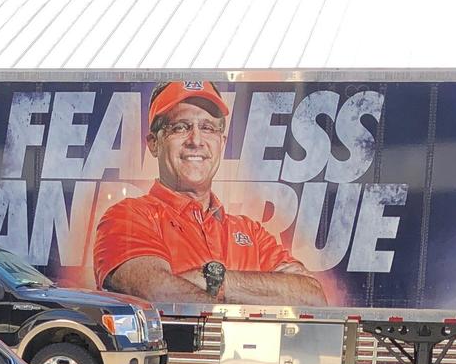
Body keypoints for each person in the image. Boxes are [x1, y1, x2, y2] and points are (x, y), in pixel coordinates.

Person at [92, 80, 327, 307]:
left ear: (221, 142)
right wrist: (257, 292)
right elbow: (156, 292)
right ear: (154, 143)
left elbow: (313, 297)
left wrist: (214, 280)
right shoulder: (128, 216)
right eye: (180, 127)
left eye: (207, 128)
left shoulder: (250, 232)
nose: (196, 140)